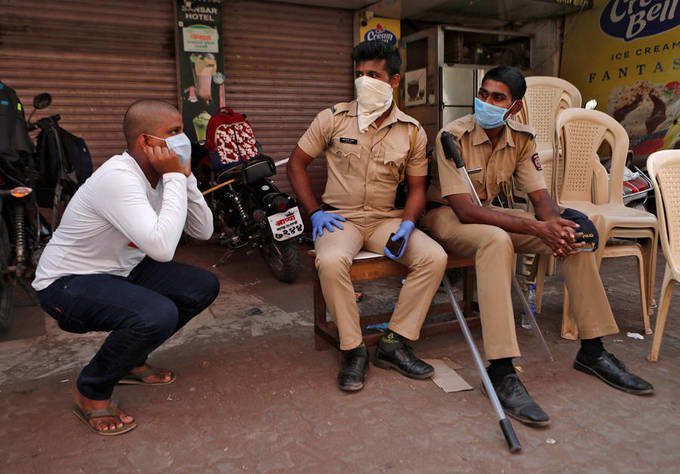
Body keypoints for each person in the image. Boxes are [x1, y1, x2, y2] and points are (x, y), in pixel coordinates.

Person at [421, 66, 654, 427]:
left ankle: (593, 351)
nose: (486, 102)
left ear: (513, 107)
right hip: (447, 216)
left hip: (495, 215)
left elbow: (541, 198)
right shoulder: (453, 135)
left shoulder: (522, 138)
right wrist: (536, 225)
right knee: (496, 240)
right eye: (483, 94)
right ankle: (500, 370)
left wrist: (554, 226)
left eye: (497, 97)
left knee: (573, 237)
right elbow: (466, 210)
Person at [33, 99, 220, 435]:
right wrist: (176, 177)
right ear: (146, 143)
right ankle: (91, 391)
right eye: (174, 132)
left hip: (122, 270)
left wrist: (186, 179)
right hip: (66, 283)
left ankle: (131, 359)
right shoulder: (119, 178)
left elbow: (203, 231)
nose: (183, 139)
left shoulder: (164, 174)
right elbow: (163, 249)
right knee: (156, 313)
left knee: (201, 285)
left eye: (183, 131)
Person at [287, 41, 447, 392]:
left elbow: (418, 187)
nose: (363, 82)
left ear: (394, 81)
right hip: (339, 219)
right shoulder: (332, 117)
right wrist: (314, 212)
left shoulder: (412, 131)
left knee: (434, 257)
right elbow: (296, 164)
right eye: (358, 75)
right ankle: (353, 349)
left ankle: (395, 342)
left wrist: (407, 223)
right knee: (330, 262)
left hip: (385, 221)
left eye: (373, 75)